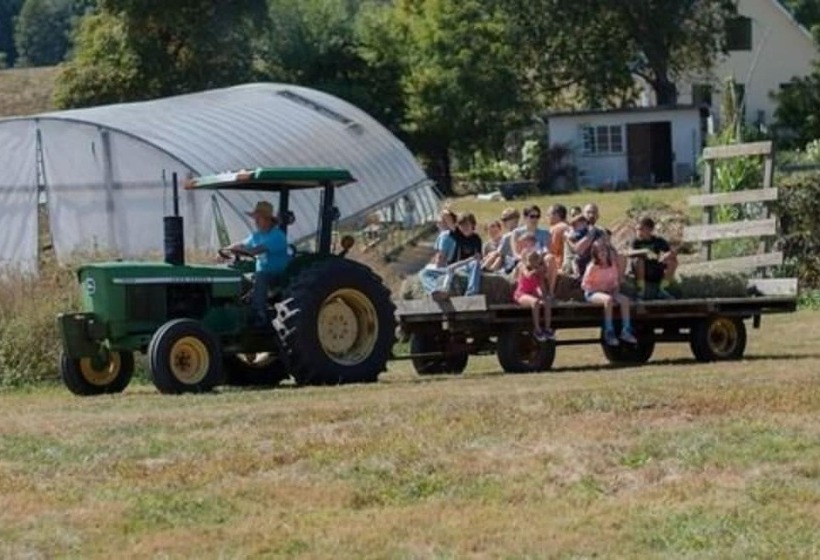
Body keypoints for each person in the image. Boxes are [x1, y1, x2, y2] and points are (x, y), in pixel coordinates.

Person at [221, 201, 290, 327]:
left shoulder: (277, 236)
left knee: (260, 277)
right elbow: (242, 244)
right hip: (262, 273)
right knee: (240, 277)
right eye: (255, 218)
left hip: (279, 276)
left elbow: (256, 250)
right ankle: (236, 310)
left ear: (268, 220)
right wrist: (226, 249)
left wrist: (241, 250)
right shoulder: (257, 235)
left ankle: (259, 315)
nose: (256, 221)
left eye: (259, 218)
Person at [582, 239, 637, 347]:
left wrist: (615, 291)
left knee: (625, 300)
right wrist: (599, 288)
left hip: (609, 291)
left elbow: (615, 282)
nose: (602, 253)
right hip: (593, 293)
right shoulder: (593, 267)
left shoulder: (612, 265)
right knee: (608, 300)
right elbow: (585, 285)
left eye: (604, 250)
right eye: (599, 251)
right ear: (595, 253)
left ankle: (626, 330)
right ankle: (609, 331)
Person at [631, 216, 678, 300]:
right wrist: (644, 251)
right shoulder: (636, 242)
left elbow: (672, 251)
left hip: (655, 267)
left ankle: (662, 289)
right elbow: (629, 252)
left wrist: (668, 255)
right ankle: (641, 290)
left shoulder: (658, 240)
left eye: (641, 229)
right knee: (639, 260)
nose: (638, 232)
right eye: (637, 229)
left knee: (673, 261)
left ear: (650, 230)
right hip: (641, 269)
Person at [513, 249, 554, 342]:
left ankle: (547, 328)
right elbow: (528, 276)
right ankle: (537, 329)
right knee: (535, 302)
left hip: (532, 294)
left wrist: (544, 296)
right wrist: (537, 270)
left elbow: (541, 289)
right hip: (521, 294)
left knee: (547, 302)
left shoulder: (539, 273)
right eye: (531, 260)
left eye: (535, 260)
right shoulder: (523, 266)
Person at [441, 212, 483, 297]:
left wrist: (470, 260)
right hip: (457, 266)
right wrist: (456, 215)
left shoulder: (477, 239)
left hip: (469, 266)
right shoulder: (458, 234)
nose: (464, 228)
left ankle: (471, 293)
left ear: (473, 225)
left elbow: (478, 258)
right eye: (461, 225)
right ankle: (444, 291)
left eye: (467, 225)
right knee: (472, 262)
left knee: (475, 263)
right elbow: (445, 214)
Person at [418, 208, 457, 295]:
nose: (437, 222)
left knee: (423, 273)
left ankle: (435, 290)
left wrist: (437, 266)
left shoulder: (444, 235)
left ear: (444, 222)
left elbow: (441, 257)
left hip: (447, 267)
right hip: (454, 265)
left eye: (439, 219)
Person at [548, 204, 571, 270]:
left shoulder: (556, 229)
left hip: (559, 266)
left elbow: (552, 250)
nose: (548, 217)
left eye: (549, 214)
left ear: (556, 215)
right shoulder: (570, 226)